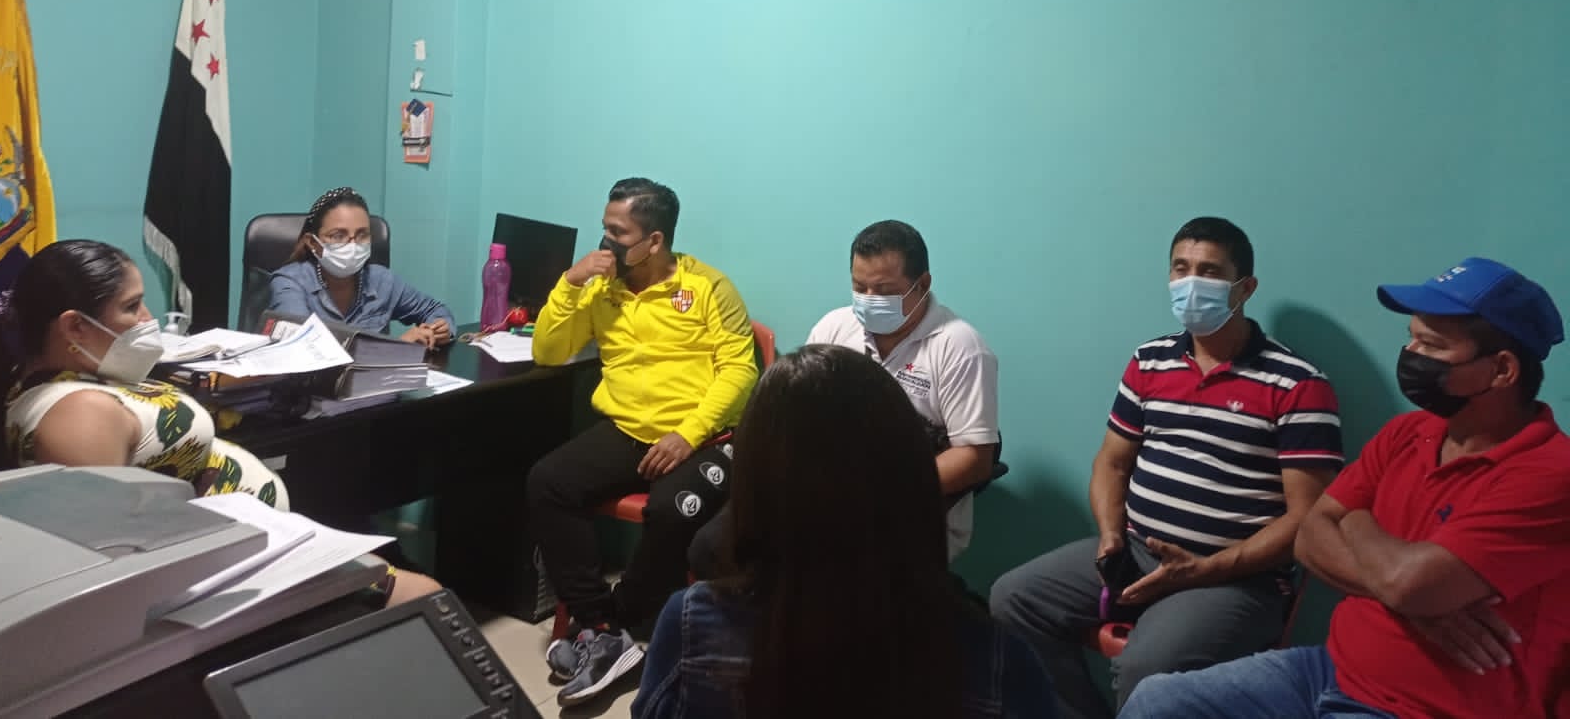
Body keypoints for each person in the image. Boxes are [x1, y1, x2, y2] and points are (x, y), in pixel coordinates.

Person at [1118, 256, 1570, 719]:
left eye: (1431, 345)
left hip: (1428, 707)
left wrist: (1353, 519)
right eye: (1411, 338)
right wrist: (1405, 598)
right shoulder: (1409, 433)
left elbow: (1404, 583)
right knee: (1156, 701)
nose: (1411, 353)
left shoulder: (1549, 474)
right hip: (1331, 669)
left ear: (1502, 370)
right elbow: (1311, 538)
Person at [991, 217, 1344, 718]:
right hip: (1135, 549)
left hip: (1235, 578)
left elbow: (1307, 518)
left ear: (1245, 288)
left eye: (1209, 271)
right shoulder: (1150, 361)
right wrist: (1110, 535)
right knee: (1013, 599)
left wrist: (1204, 570)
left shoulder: (1297, 383)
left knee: (1147, 664)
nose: (1191, 282)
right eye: (1181, 268)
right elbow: (1111, 463)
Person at [0, 239, 440, 607]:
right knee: (424, 596)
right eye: (131, 307)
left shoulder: (78, 380)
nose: (148, 319)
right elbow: (113, 559)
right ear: (75, 328)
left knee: (408, 580)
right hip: (229, 575)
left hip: (255, 547)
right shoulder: (78, 415)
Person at [634, 345, 1057, 719]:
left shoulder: (689, 625)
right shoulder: (999, 661)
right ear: (912, 473)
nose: (871, 297)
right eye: (862, 288)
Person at [528, 177, 759, 706]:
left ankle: (623, 620)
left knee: (671, 511)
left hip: (707, 436)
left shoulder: (708, 287)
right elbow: (548, 351)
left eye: (618, 232)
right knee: (548, 482)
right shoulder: (599, 287)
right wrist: (569, 283)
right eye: (605, 229)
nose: (606, 242)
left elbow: (740, 371)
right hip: (627, 429)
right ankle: (600, 627)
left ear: (654, 240)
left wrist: (687, 434)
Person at [688, 218, 999, 578]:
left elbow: (974, 458)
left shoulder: (960, 348)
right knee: (713, 547)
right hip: (822, 487)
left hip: (901, 500)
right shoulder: (835, 327)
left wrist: (874, 489)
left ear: (923, 284)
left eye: (884, 290)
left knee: (814, 570)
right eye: (859, 287)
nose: (869, 300)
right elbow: (798, 414)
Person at [267, 187, 452, 348]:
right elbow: (303, 348)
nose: (353, 245)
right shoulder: (290, 282)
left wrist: (437, 329)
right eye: (338, 236)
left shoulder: (382, 280)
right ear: (313, 243)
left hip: (379, 379)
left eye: (362, 235)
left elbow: (436, 310)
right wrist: (395, 347)